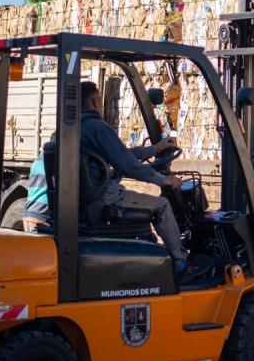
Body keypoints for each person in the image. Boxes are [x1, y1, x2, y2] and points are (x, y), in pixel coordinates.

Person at [78, 81, 196, 276]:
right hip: (105, 197)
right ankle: (180, 263)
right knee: (162, 205)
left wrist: (155, 149)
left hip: (89, 197)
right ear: (93, 101)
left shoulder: (72, 129)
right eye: (100, 100)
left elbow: (122, 153)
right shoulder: (97, 127)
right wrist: (162, 180)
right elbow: (128, 165)